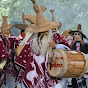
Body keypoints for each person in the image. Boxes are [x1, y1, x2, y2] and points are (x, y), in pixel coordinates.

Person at [15, 0, 70, 88]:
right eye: (39, 30)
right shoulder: (32, 38)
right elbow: (24, 58)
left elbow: (67, 48)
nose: (42, 32)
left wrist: (56, 46)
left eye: (44, 29)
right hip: (33, 72)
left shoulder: (55, 35)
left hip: (52, 70)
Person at [69, 24, 88, 88]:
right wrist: (71, 44)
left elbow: (86, 52)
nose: (76, 36)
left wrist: (83, 44)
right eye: (75, 34)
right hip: (74, 65)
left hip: (83, 64)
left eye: (78, 34)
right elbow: (68, 52)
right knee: (74, 80)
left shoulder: (85, 43)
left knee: (83, 80)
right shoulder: (71, 43)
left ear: (81, 36)